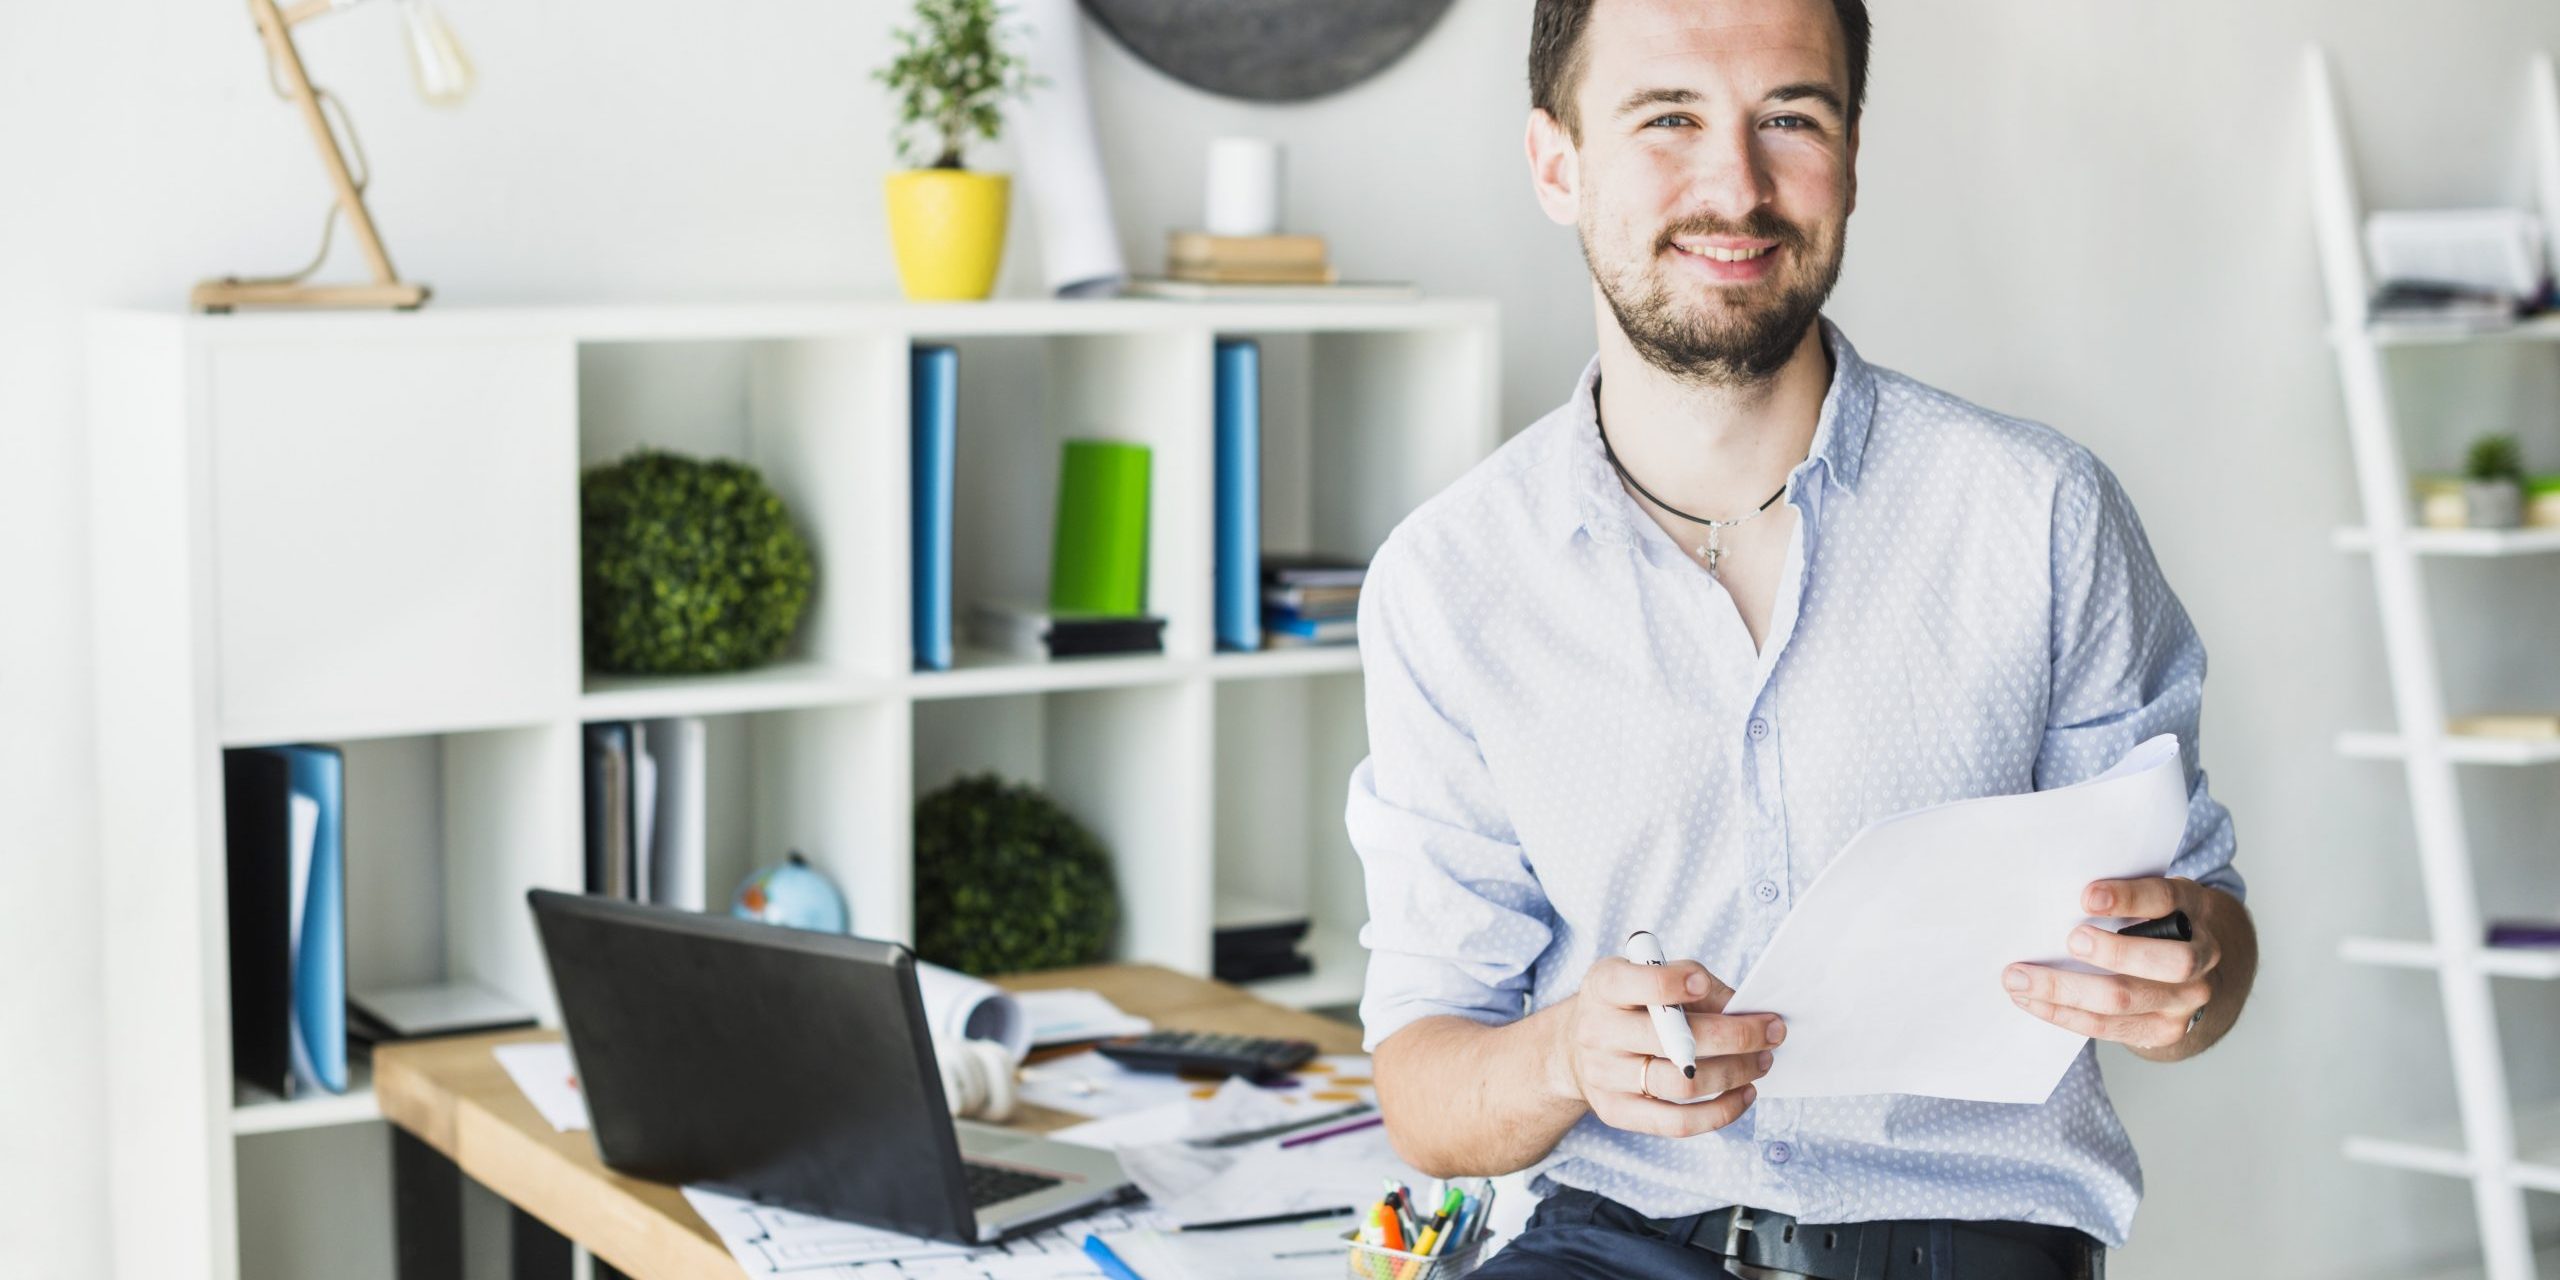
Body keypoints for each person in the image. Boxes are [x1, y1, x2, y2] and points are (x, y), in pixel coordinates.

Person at [1345, 1, 2255, 1277]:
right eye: (1668, 119)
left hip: (1967, 1244)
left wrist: (2185, 971)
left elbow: (2207, 942)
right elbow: (1425, 1094)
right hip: (1607, 1242)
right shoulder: (1448, 582)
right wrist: (1563, 1054)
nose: (1737, 185)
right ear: (1557, 161)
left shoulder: (2042, 514)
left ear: (1852, 155)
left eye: (1791, 118)